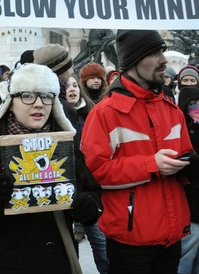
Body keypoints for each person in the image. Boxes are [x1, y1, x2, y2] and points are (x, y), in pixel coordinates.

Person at [0, 63, 103, 273]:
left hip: (54, 262)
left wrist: (88, 207)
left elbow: (93, 193)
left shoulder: (65, 145)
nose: (39, 104)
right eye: (27, 95)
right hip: (0, 264)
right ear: (10, 102)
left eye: (47, 96)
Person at [82, 30, 196, 274]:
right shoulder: (105, 113)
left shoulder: (172, 109)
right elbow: (95, 172)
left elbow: (184, 159)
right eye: (154, 53)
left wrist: (192, 166)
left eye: (162, 52)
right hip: (130, 242)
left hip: (173, 235)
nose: (163, 60)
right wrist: (151, 165)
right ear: (133, 62)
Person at [66, 74, 108, 273]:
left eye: (75, 85)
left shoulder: (92, 112)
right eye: (67, 86)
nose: (72, 89)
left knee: (99, 239)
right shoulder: (55, 116)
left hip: (89, 186)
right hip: (66, 186)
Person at [177, 86, 199, 274]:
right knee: (186, 256)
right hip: (189, 208)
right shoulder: (179, 132)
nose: (196, 108)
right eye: (192, 104)